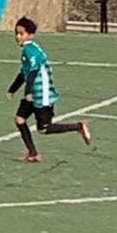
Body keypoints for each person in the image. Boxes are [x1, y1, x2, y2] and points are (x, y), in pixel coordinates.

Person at [7, 17, 91, 162]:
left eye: (21, 33)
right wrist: (13, 89)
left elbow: (33, 71)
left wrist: (27, 92)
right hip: (34, 93)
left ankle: (78, 126)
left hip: (41, 94)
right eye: (17, 33)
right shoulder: (27, 50)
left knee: (44, 129)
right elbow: (24, 72)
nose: (18, 36)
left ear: (30, 35)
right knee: (20, 119)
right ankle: (32, 153)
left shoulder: (30, 50)